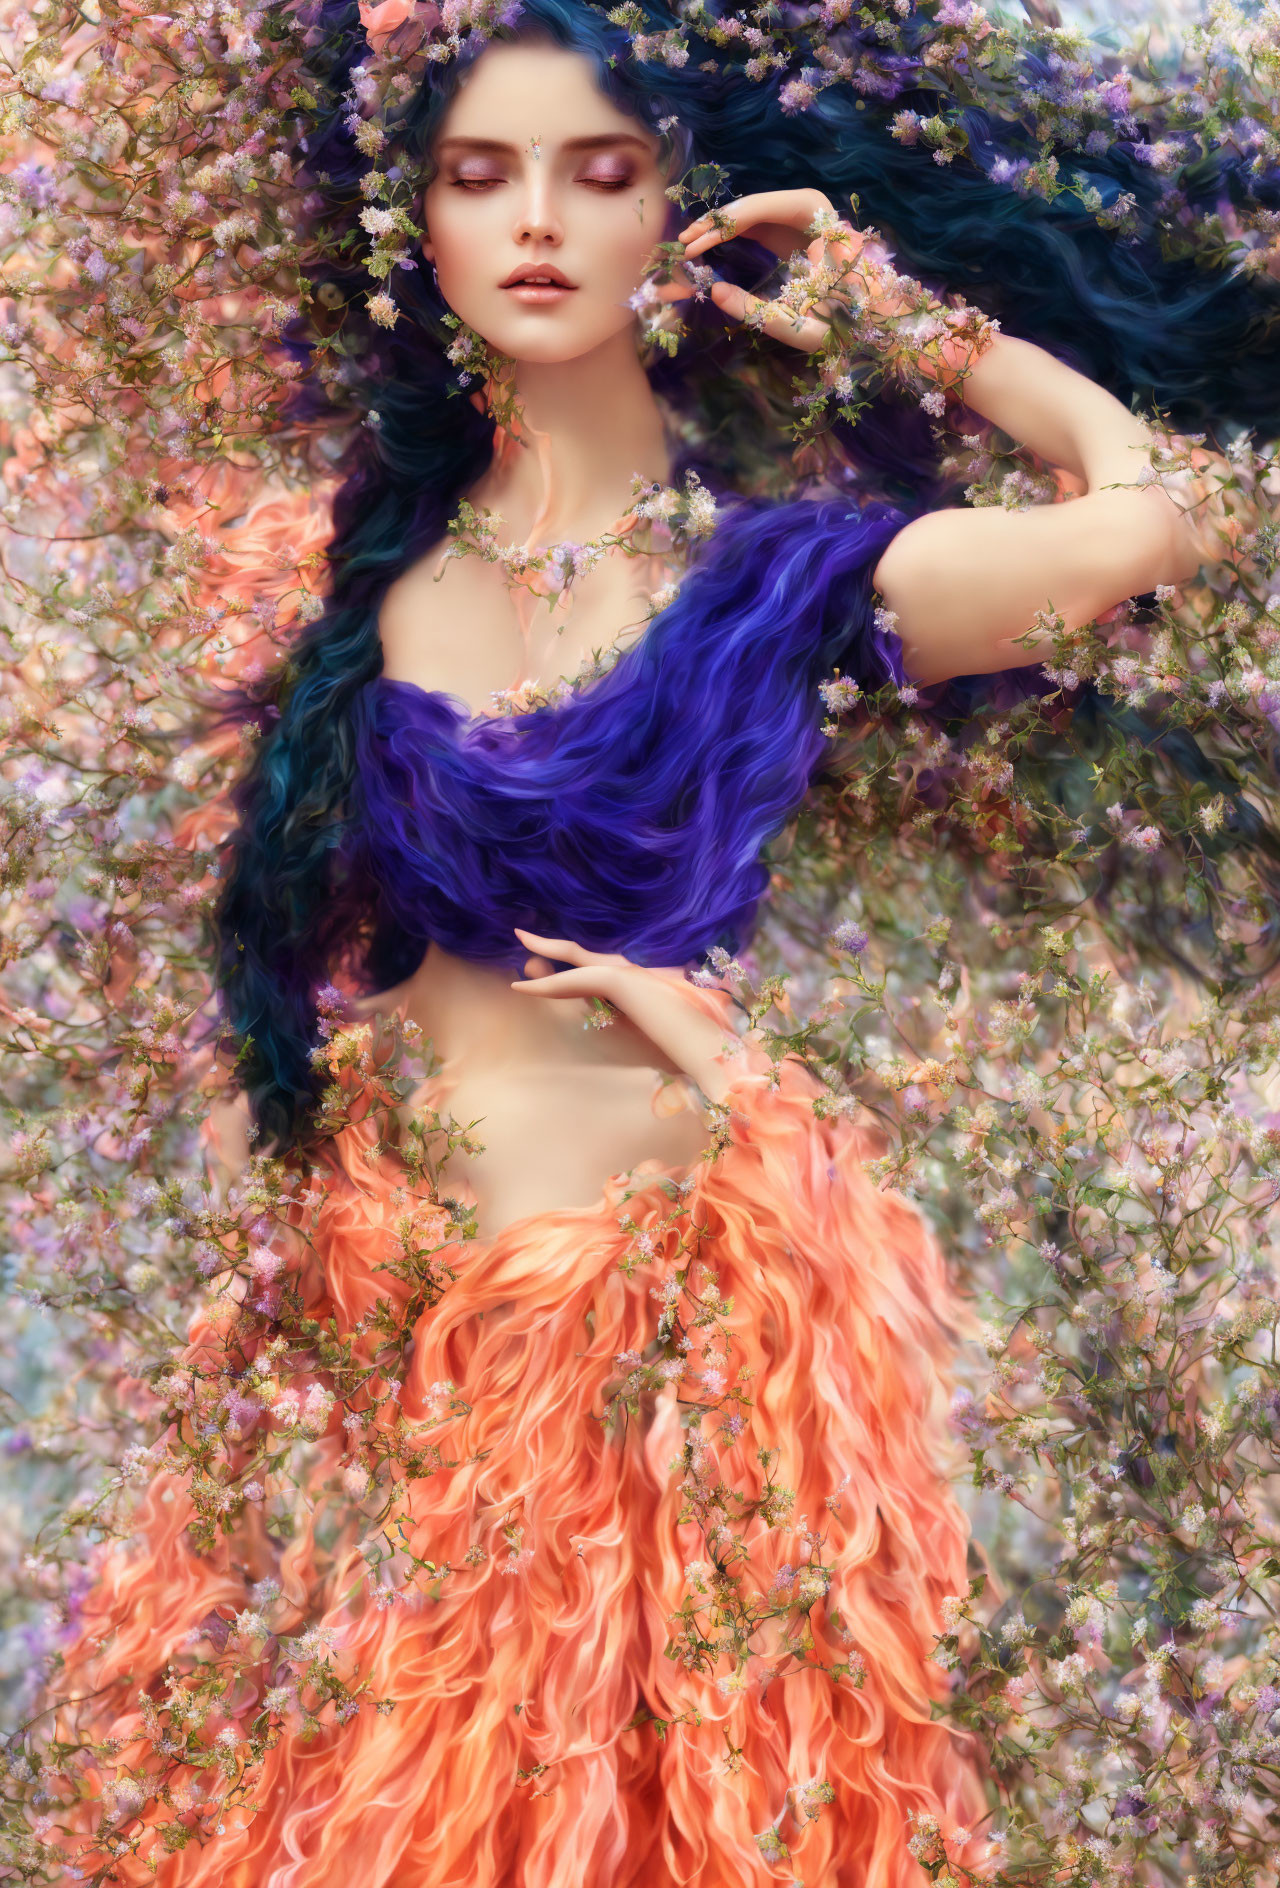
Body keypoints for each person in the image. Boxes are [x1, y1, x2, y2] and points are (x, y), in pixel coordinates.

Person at [44, 2, 1264, 1882]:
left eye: (595, 173)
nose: (538, 220)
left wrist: (910, 328)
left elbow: (1160, 524)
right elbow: (291, 960)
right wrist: (263, 1196)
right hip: (374, 1338)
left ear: (670, 218)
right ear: (421, 233)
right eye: (482, 176)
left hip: (670, 1349)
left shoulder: (785, 578)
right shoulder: (346, 567)